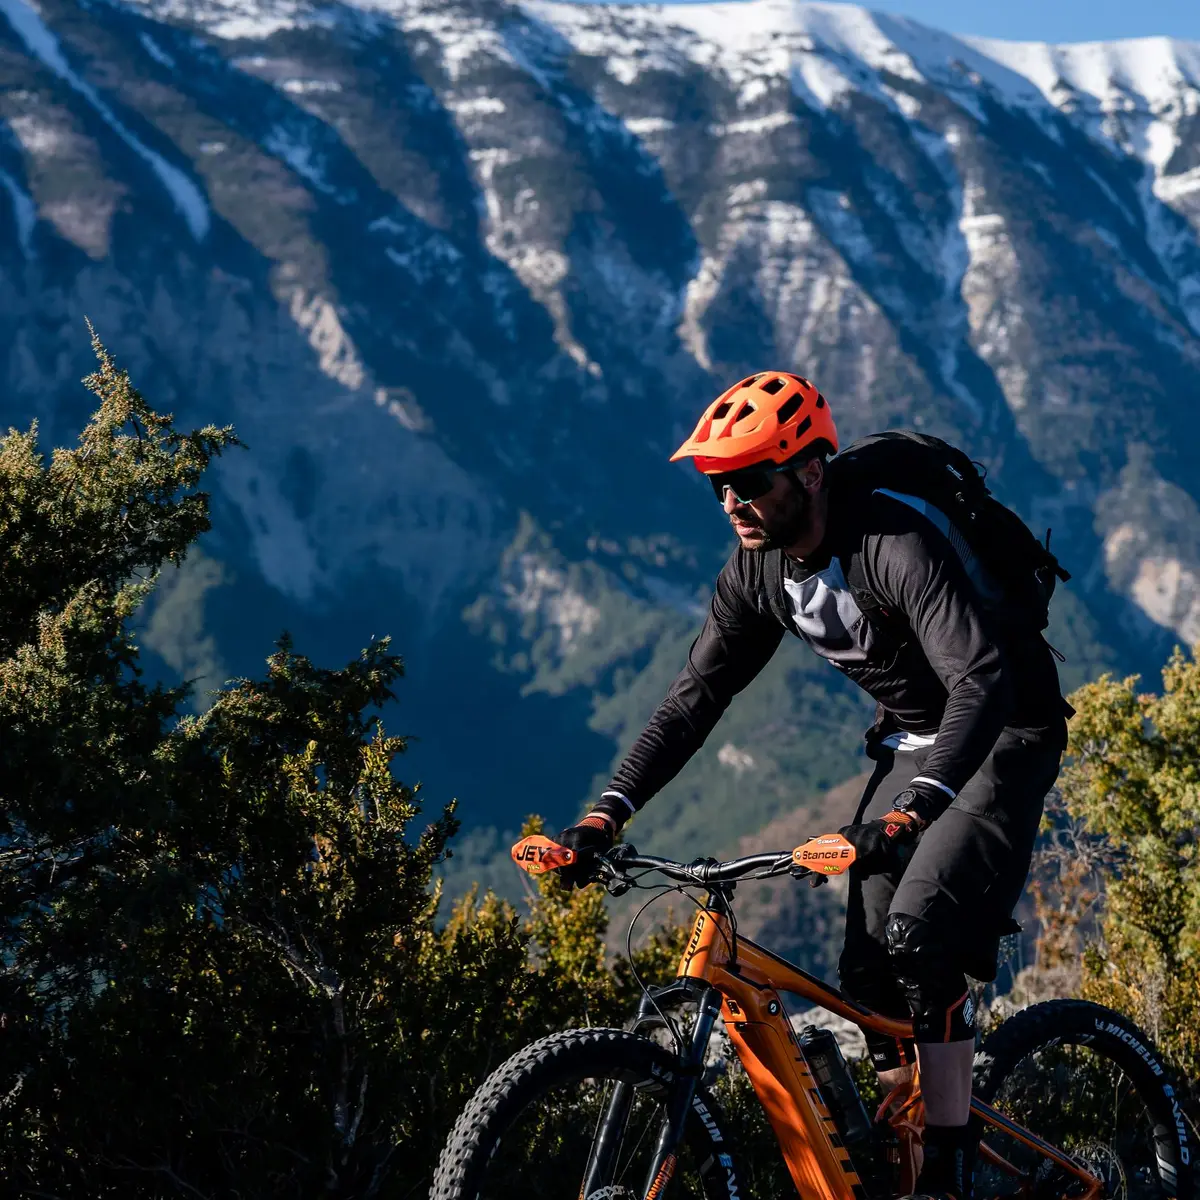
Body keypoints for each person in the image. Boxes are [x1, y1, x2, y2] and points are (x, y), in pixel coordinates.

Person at [554, 372, 1070, 1200]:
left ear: (809, 472)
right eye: (719, 484)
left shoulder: (893, 546)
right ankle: (902, 1139)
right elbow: (696, 699)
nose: (731, 500)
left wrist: (912, 809)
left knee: (917, 936)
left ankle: (946, 1161)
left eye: (751, 479)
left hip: (1003, 729)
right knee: (865, 972)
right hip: (915, 739)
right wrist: (604, 814)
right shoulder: (758, 573)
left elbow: (979, 680)